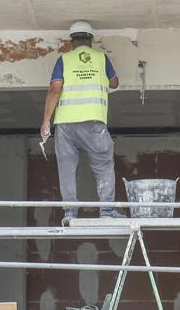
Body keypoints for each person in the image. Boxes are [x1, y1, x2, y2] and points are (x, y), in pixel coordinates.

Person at [40, 21, 123, 223]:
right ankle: (107, 211)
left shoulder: (64, 60)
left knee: (66, 167)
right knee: (103, 166)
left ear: (72, 41)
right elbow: (114, 83)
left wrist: (46, 122)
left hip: (66, 125)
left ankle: (70, 212)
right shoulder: (101, 58)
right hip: (94, 123)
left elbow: (55, 89)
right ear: (91, 40)